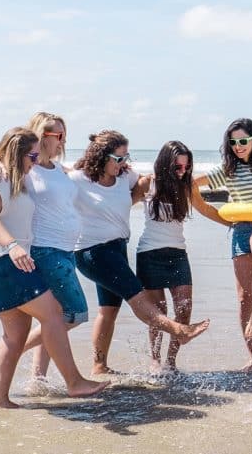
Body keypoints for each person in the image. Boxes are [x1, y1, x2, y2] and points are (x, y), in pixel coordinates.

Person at [0, 126, 107, 407]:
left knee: (15, 335)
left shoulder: (13, 177)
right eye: (31, 155)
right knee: (54, 313)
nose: (34, 161)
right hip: (0, 261)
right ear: (16, 154)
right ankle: (75, 382)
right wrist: (12, 245)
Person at [71, 130, 211, 374]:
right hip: (96, 251)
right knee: (141, 301)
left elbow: (131, 195)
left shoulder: (125, 176)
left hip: (120, 248)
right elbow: (50, 187)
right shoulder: (79, 179)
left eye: (126, 157)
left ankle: (100, 366)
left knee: (108, 310)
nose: (125, 162)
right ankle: (176, 335)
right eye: (120, 158)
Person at [193, 118, 252, 372]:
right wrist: (216, 216)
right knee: (242, 298)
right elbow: (192, 184)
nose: (238, 146)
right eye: (233, 142)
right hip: (240, 230)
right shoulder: (228, 169)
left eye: (243, 141)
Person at [136, 141, 230, 372]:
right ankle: (155, 361)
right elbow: (119, 202)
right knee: (159, 313)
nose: (183, 171)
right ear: (166, 164)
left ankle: (171, 362)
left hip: (178, 254)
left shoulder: (186, 186)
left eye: (186, 167)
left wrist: (233, 223)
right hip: (149, 254)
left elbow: (206, 209)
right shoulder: (148, 183)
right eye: (178, 167)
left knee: (184, 308)